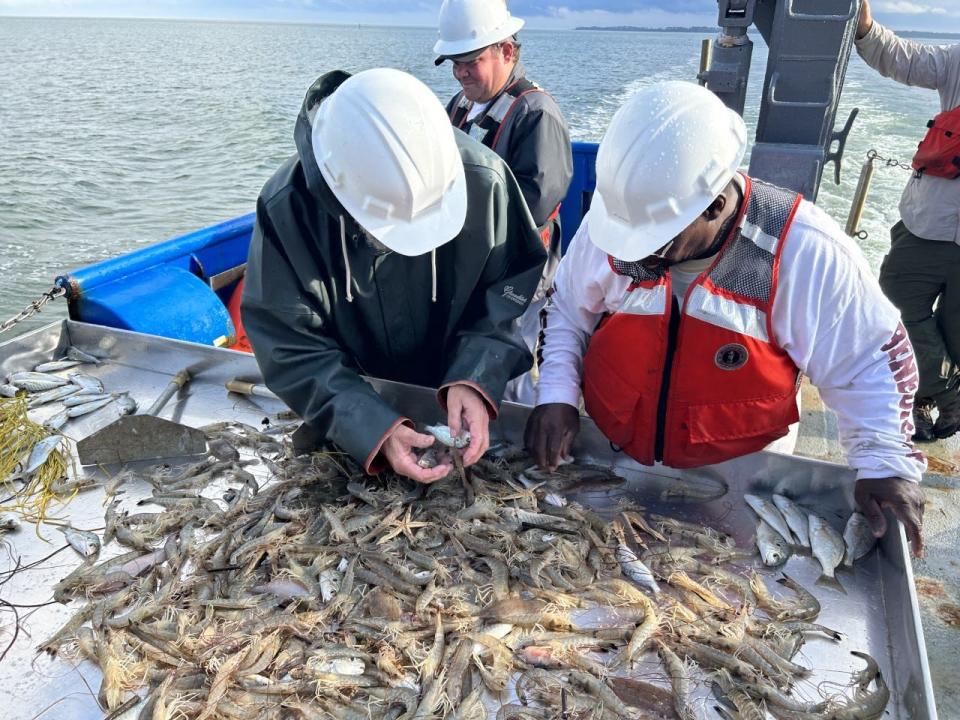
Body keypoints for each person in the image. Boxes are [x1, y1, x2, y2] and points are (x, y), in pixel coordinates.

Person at [525, 81, 926, 554]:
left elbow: (869, 363)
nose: (637, 254)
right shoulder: (616, 223)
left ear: (715, 206)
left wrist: (884, 465)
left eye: (658, 241)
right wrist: (556, 394)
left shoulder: (803, 252)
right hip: (614, 456)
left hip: (744, 479)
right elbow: (568, 310)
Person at [242, 68, 546, 484]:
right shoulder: (286, 209)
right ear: (338, 192)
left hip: (463, 401)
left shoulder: (485, 180)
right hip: (347, 408)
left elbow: (507, 297)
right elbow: (287, 342)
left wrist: (476, 378)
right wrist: (368, 424)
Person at [434, 0, 573, 400]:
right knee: (469, 358)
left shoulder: (536, 114)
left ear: (506, 51)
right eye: (453, 62)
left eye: (470, 60)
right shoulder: (460, 106)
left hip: (518, 273)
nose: (460, 72)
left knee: (507, 368)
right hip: (472, 266)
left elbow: (535, 205)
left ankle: (521, 443)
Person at [855, 0, 960, 441]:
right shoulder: (957, 61)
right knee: (896, 308)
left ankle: (928, 399)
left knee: (956, 332)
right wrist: (865, 28)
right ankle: (938, 396)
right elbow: (906, 59)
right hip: (929, 225)